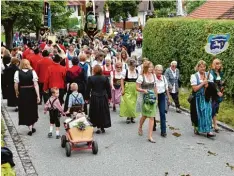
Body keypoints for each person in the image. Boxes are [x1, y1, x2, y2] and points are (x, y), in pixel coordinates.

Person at [190, 60, 216, 138]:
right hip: (198, 98)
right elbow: (194, 89)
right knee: (199, 114)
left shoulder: (209, 75)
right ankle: (197, 128)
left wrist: (208, 85)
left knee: (208, 112)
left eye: (204, 67)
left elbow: (212, 86)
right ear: (198, 67)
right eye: (201, 67)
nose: (203, 68)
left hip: (206, 97)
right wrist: (202, 83)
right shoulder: (194, 76)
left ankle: (208, 131)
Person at [14, 59, 40, 136]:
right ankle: (32, 126)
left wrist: (16, 92)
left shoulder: (17, 72)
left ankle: (29, 127)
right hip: (31, 91)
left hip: (22, 92)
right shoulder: (33, 72)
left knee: (25, 109)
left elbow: (16, 84)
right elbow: (36, 84)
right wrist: (38, 95)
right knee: (33, 108)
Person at [85, 65, 111, 134]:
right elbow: (108, 88)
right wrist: (109, 97)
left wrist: (86, 98)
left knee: (95, 112)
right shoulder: (105, 78)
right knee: (103, 112)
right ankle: (102, 126)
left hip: (94, 97)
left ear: (94, 70)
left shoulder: (91, 78)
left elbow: (88, 89)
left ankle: (98, 127)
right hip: (103, 96)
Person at [136, 61, 158, 143]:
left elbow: (155, 88)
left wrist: (156, 98)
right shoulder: (141, 77)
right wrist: (143, 90)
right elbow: (137, 88)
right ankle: (140, 126)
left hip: (152, 98)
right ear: (145, 68)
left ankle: (150, 136)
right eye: (149, 67)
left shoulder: (154, 76)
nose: (151, 69)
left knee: (152, 117)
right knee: (144, 115)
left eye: (152, 67)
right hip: (144, 97)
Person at [119, 59, 139, 124]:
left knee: (134, 103)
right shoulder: (125, 71)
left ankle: (132, 116)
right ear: (129, 65)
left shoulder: (137, 71)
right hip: (128, 88)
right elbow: (122, 80)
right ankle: (128, 116)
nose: (133, 67)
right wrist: (122, 89)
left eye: (134, 66)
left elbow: (139, 80)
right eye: (132, 66)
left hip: (135, 88)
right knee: (128, 103)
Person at [154, 65, 171, 137]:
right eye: (158, 70)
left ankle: (163, 131)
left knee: (162, 113)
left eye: (161, 70)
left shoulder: (163, 77)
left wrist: (169, 98)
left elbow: (166, 88)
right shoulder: (153, 78)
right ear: (155, 70)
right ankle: (153, 124)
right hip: (154, 96)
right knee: (153, 113)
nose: (160, 72)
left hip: (162, 96)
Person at [210, 59, 224, 133]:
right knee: (213, 108)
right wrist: (217, 91)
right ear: (214, 64)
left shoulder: (220, 73)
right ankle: (214, 125)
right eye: (217, 64)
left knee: (215, 109)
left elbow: (220, 82)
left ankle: (213, 124)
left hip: (219, 94)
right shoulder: (211, 72)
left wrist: (222, 85)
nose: (218, 65)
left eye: (219, 64)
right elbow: (212, 84)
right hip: (213, 93)